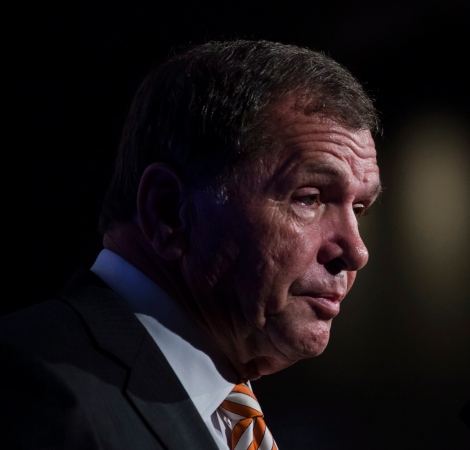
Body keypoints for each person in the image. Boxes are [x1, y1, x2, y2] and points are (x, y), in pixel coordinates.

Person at [0, 39, 382, 449]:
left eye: (359, 208)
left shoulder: (230, 412)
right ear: (169, 212)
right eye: (308, 198)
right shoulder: (31, 388)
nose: (356, 252)